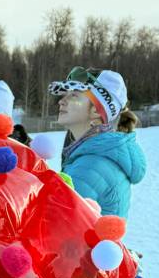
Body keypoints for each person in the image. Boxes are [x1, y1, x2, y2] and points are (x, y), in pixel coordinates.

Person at [49, 67, 146, 218]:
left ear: (96, 110)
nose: (62, 101)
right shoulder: (93, 155)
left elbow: (52, 226)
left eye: (74, 95)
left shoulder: (90, 166)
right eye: (64, 95)